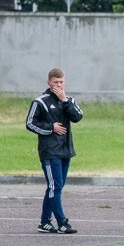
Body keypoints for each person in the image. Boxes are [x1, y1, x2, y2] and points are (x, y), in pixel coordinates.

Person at [26, 68, 84, 234]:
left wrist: (64, 100)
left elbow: (77, 117)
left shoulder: (68, 100)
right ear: (49, 82)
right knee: (55, 186)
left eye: (61, 82)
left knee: (55, 187)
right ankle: (62, 223)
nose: (59, 85)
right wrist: (51, 128)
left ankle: (44, 222)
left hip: (65, 150)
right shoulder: (40, 102)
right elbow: (30, 123)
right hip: (50, 152)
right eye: (55, 82)